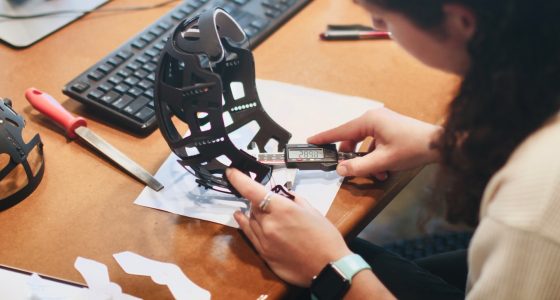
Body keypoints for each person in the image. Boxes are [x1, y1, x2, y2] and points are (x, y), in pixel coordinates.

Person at [226, 0, 560, 298]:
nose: (375, 27)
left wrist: (330, 269)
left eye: (381, 17)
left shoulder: (532, 215)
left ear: (462, 22)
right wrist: (446, 142)